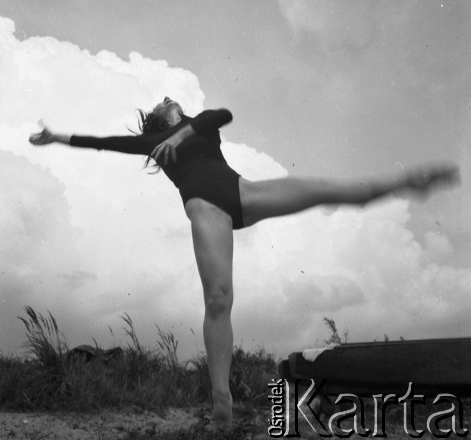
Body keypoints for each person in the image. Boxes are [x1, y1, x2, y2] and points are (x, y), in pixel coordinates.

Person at [29, 97, 459, 427]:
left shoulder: (199, 128)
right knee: (219, 299)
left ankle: (405, 182)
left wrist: (183, 134)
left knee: (324, 190)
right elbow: (101, 143)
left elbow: (222, 113)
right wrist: (56, 137)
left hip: (243, 193)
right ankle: (222, 401)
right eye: (165, 103)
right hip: (207, 210)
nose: (168, 97)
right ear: (159, 120)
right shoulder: (152, 143)